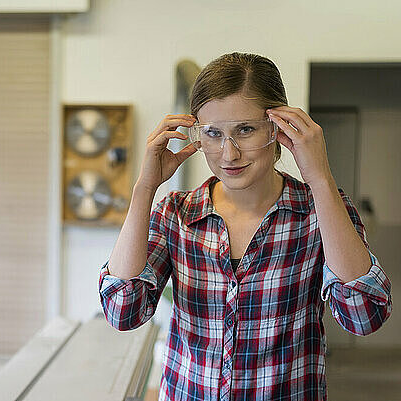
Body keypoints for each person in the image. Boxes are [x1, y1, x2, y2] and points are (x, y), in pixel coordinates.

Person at [97, 52, 392, 401]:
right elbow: (122, 312)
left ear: (278, 127)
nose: (228, 153)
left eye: (246, 130)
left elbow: (365, 315)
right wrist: (144, 188)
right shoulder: (175, 214)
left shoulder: (318, 211)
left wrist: (320, 178)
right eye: (213, 133)